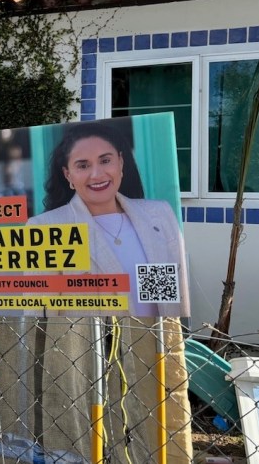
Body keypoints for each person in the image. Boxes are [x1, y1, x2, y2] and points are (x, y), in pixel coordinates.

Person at [25, 120, 193, 463]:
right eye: (82, 165)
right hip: (83, 353)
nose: (96, 173)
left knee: (161, 441)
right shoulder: (46, 227)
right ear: (67, 174)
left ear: (120, 162)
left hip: (151, 347)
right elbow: (39, 311)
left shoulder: (157, 216)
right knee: (86, 445)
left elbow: (167, 295)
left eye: (105, 160)